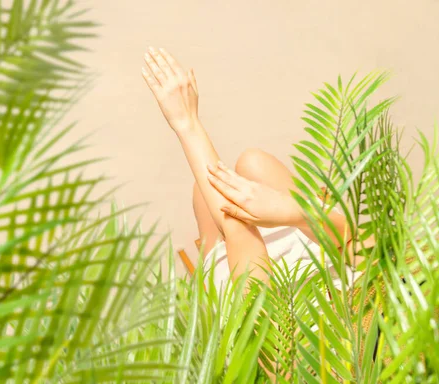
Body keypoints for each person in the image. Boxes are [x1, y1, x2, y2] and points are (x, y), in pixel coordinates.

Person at [141, 47, 361, 288]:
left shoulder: (267, 322)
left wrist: (187, 124)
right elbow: (354, 240)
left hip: (248, 265)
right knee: (253, 162)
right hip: (312, 248)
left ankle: (221, 250)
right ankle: (281, 213)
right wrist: (287, 211)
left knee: (205, 194)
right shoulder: (376, 294)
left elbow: (235, 225)